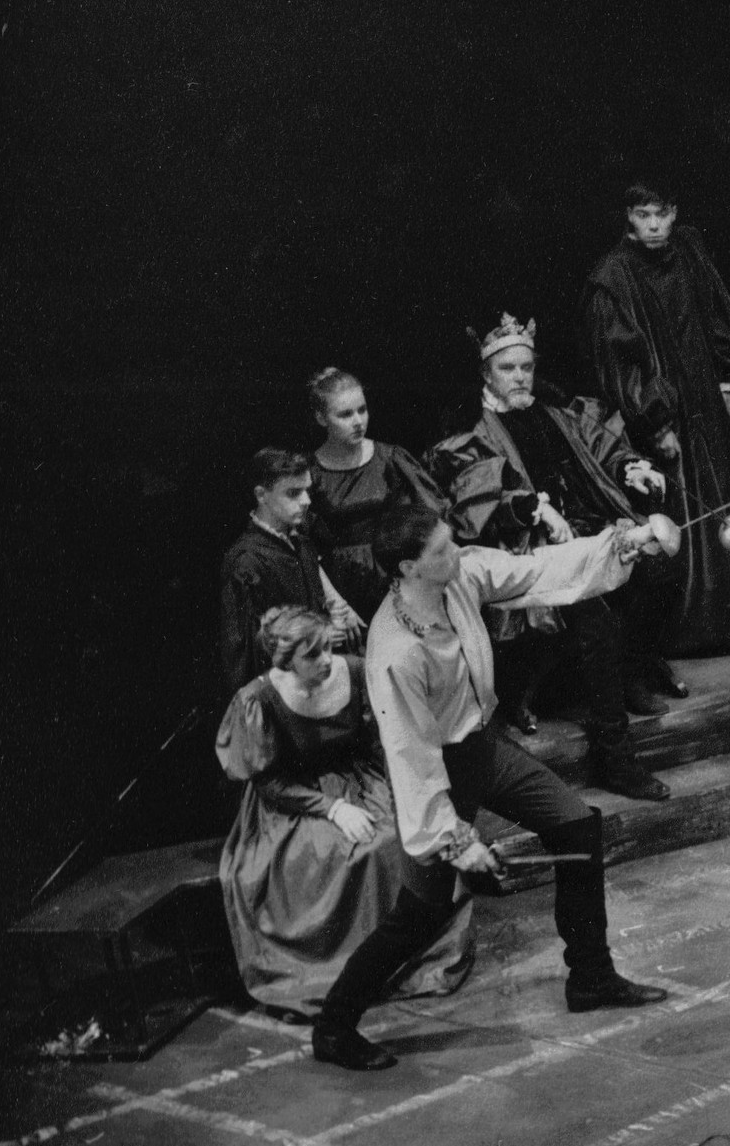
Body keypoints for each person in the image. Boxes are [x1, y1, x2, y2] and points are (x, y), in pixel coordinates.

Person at [308, 502, 671, 1072]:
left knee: (576, 824)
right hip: (436, 770)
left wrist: (617, 546)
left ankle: (592, 976)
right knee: (422, 914)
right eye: (442, 550)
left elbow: (534, 571)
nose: (458, 552)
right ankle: (333, 1026)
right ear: (407, 568)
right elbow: (411, 756)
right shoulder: (394, 651)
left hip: (482, 745)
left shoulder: (461, 576)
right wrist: (456, 838)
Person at [421, 312, 673, 800]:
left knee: (660, 569)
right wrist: (532, 510)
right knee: (594, 621)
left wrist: (632, 468)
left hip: (590, 530)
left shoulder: (557, 413)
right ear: (486, 374)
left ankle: (630, 671)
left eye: (526, 368)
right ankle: (616, 758)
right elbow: (473, 498)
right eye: (507, 369)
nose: (519, 378)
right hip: (528, 551)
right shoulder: (471, 432)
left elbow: (602, 447)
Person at [214, 605, 474, 1018]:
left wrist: (400, 791)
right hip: (296, 799)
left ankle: (388, 961)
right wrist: (332, 808)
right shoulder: (258, 699)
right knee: (336, 855)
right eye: (311, 656)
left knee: (399, 838)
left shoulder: (353, 671)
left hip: (358, 778)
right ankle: (345, 971)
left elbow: (381, 741)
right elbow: (270, 784)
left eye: (326, 650)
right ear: (285, 661)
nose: (325, 662)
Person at [584, 179, 730, 657]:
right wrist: (654, 423)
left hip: (705, 400)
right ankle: (691, 631)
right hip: (663, 416)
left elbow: (716, 311)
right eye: (644, 215)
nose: (654, 225)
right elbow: (618, 362)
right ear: (628, 216)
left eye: (662, 214)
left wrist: (726, 378)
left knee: (724, 495)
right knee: (682, 511)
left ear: (674, 212)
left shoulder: (688, 250)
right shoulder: (614, 277)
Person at [303, 367, 447, 622]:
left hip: (396, 578)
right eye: (345, 415)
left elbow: (428, 519)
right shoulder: (311, 473)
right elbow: (304, 547)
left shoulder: (390, 459)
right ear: (321, 418)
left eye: (362, 410)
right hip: (341, 590)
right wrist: (335, 603)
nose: (358, 421)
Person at [218, 448, 364, 694]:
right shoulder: (247, 563)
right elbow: (250, 653)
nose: (306, 500)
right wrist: (321, 635)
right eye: (293, 493)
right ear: (261, 495)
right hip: (285, 692)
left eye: (307, 490)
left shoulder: (299, 539)